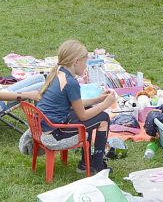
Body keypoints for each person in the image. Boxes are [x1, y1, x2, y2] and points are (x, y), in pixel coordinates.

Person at [36, 40, 116, 174]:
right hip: (56, 133)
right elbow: (82, 115)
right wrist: (105, 104)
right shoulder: (71, 82)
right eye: (85, 62)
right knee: (103, 118)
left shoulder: (58, 73)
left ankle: (86, 163)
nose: (86, 66)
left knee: (93, 115)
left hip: (47, 127)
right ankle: (97, 165)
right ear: (76, 61)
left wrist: (98, 99)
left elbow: (75, 104)